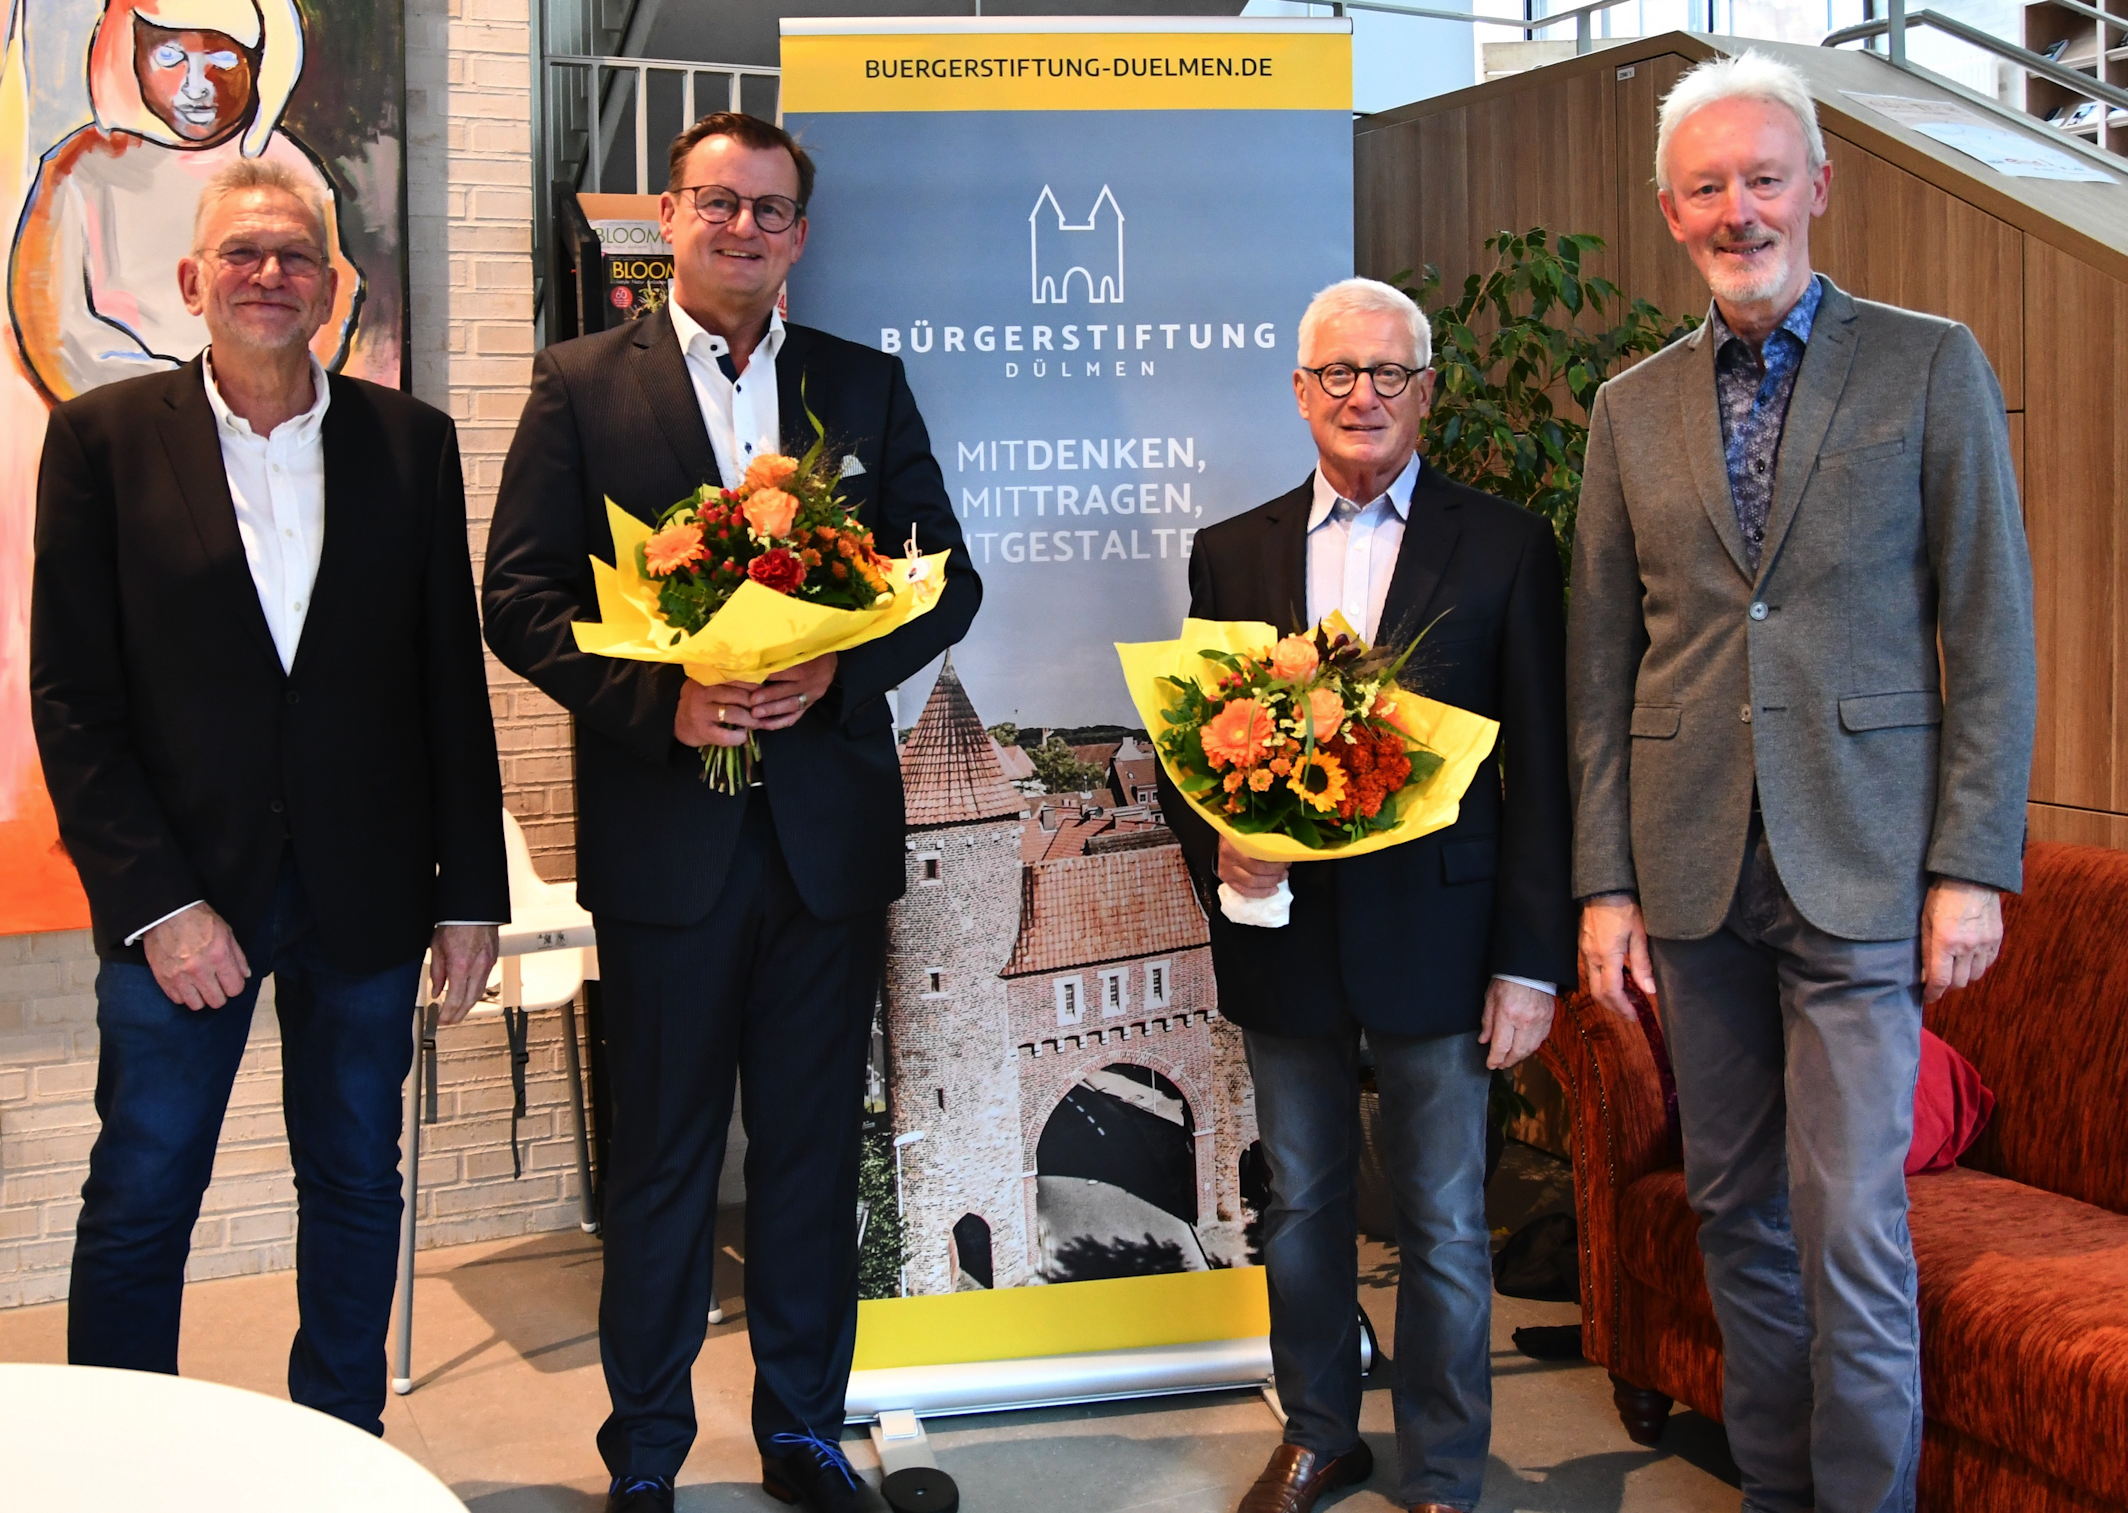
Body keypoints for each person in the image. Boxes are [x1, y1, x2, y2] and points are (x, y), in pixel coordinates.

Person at [482, 112, 981, 1513]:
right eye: (717, 202)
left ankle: (803, 1431)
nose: (742, 227)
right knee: (662, 1164)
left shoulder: (862, 386)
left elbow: (945, 577)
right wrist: (664, 704)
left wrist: (839, 670)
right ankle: (645, 1452)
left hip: (826, 845)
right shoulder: (583, 383)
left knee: (812, 1162)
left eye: (768, 208)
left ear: (799, 235)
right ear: (669, 219)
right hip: (666, 841)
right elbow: (518, 597)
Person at [1568, 51, 2036, 1513]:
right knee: (1734, 1214)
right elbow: (1601, 663)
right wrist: (1604, 885)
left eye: (1763, 179)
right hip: (1692, 869)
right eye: (1707, 188)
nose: (1739, 211)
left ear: (1817, 187)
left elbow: (1990, 628)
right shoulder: (1628, 407)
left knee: (1847, 1227)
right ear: (1670, 212)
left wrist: (1972, 864)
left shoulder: (1928, 363)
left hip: (1866, 865)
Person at [28, 158, 505, 1434]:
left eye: (296, 254)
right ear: (194, 280)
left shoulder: (411, 444)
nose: (270, 274)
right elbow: (71, 700)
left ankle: (341, 1442)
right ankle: (120, 1459)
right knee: (143, 1192)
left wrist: (470, 892)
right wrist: (157, 903)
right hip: (184, 899)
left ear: (333, 287)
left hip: (367, 890)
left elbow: (445, 683)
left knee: (353, 1180)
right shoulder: (103, 442)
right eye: (243, 253)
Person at [1160, 277, 1574, 1513]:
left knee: (1442, 1219)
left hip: (1444, 937)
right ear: (1299, 392)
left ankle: (1443, 1466)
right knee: (1300, 1206)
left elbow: (1539, 770)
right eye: (1338, 373)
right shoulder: (1230, 550)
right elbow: (1191, 746)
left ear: (1425, 392)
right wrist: (1222, 846)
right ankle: (1320, 1432)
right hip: (1284, 938)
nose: (1363, 395)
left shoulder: (1505, 545)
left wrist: (1530, 960)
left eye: (1389, 372)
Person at [9, 0, 362, 403]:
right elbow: (51, 324)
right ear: (134, 53)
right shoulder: (80, 169)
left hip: (260, 414)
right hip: (119, 411)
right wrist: (169, 403)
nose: (198, 85)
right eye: (170, 57)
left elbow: (329, 301)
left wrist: (251, 397)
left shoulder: (290, 172)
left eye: (223, 60)